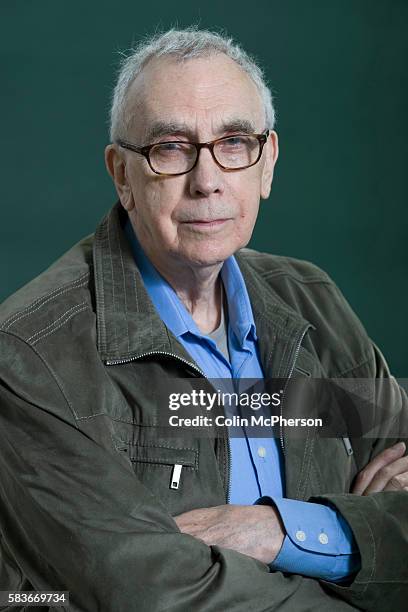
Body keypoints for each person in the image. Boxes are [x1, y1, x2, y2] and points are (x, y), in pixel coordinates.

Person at [0, 27, 407, 612]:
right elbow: (153, 596)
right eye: (171, 148)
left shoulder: (315, 303)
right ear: (122, 175)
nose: (208, 180)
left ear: (266, 163)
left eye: (234, 142)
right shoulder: (30, 355)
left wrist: (281, 530)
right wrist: (363, 553)